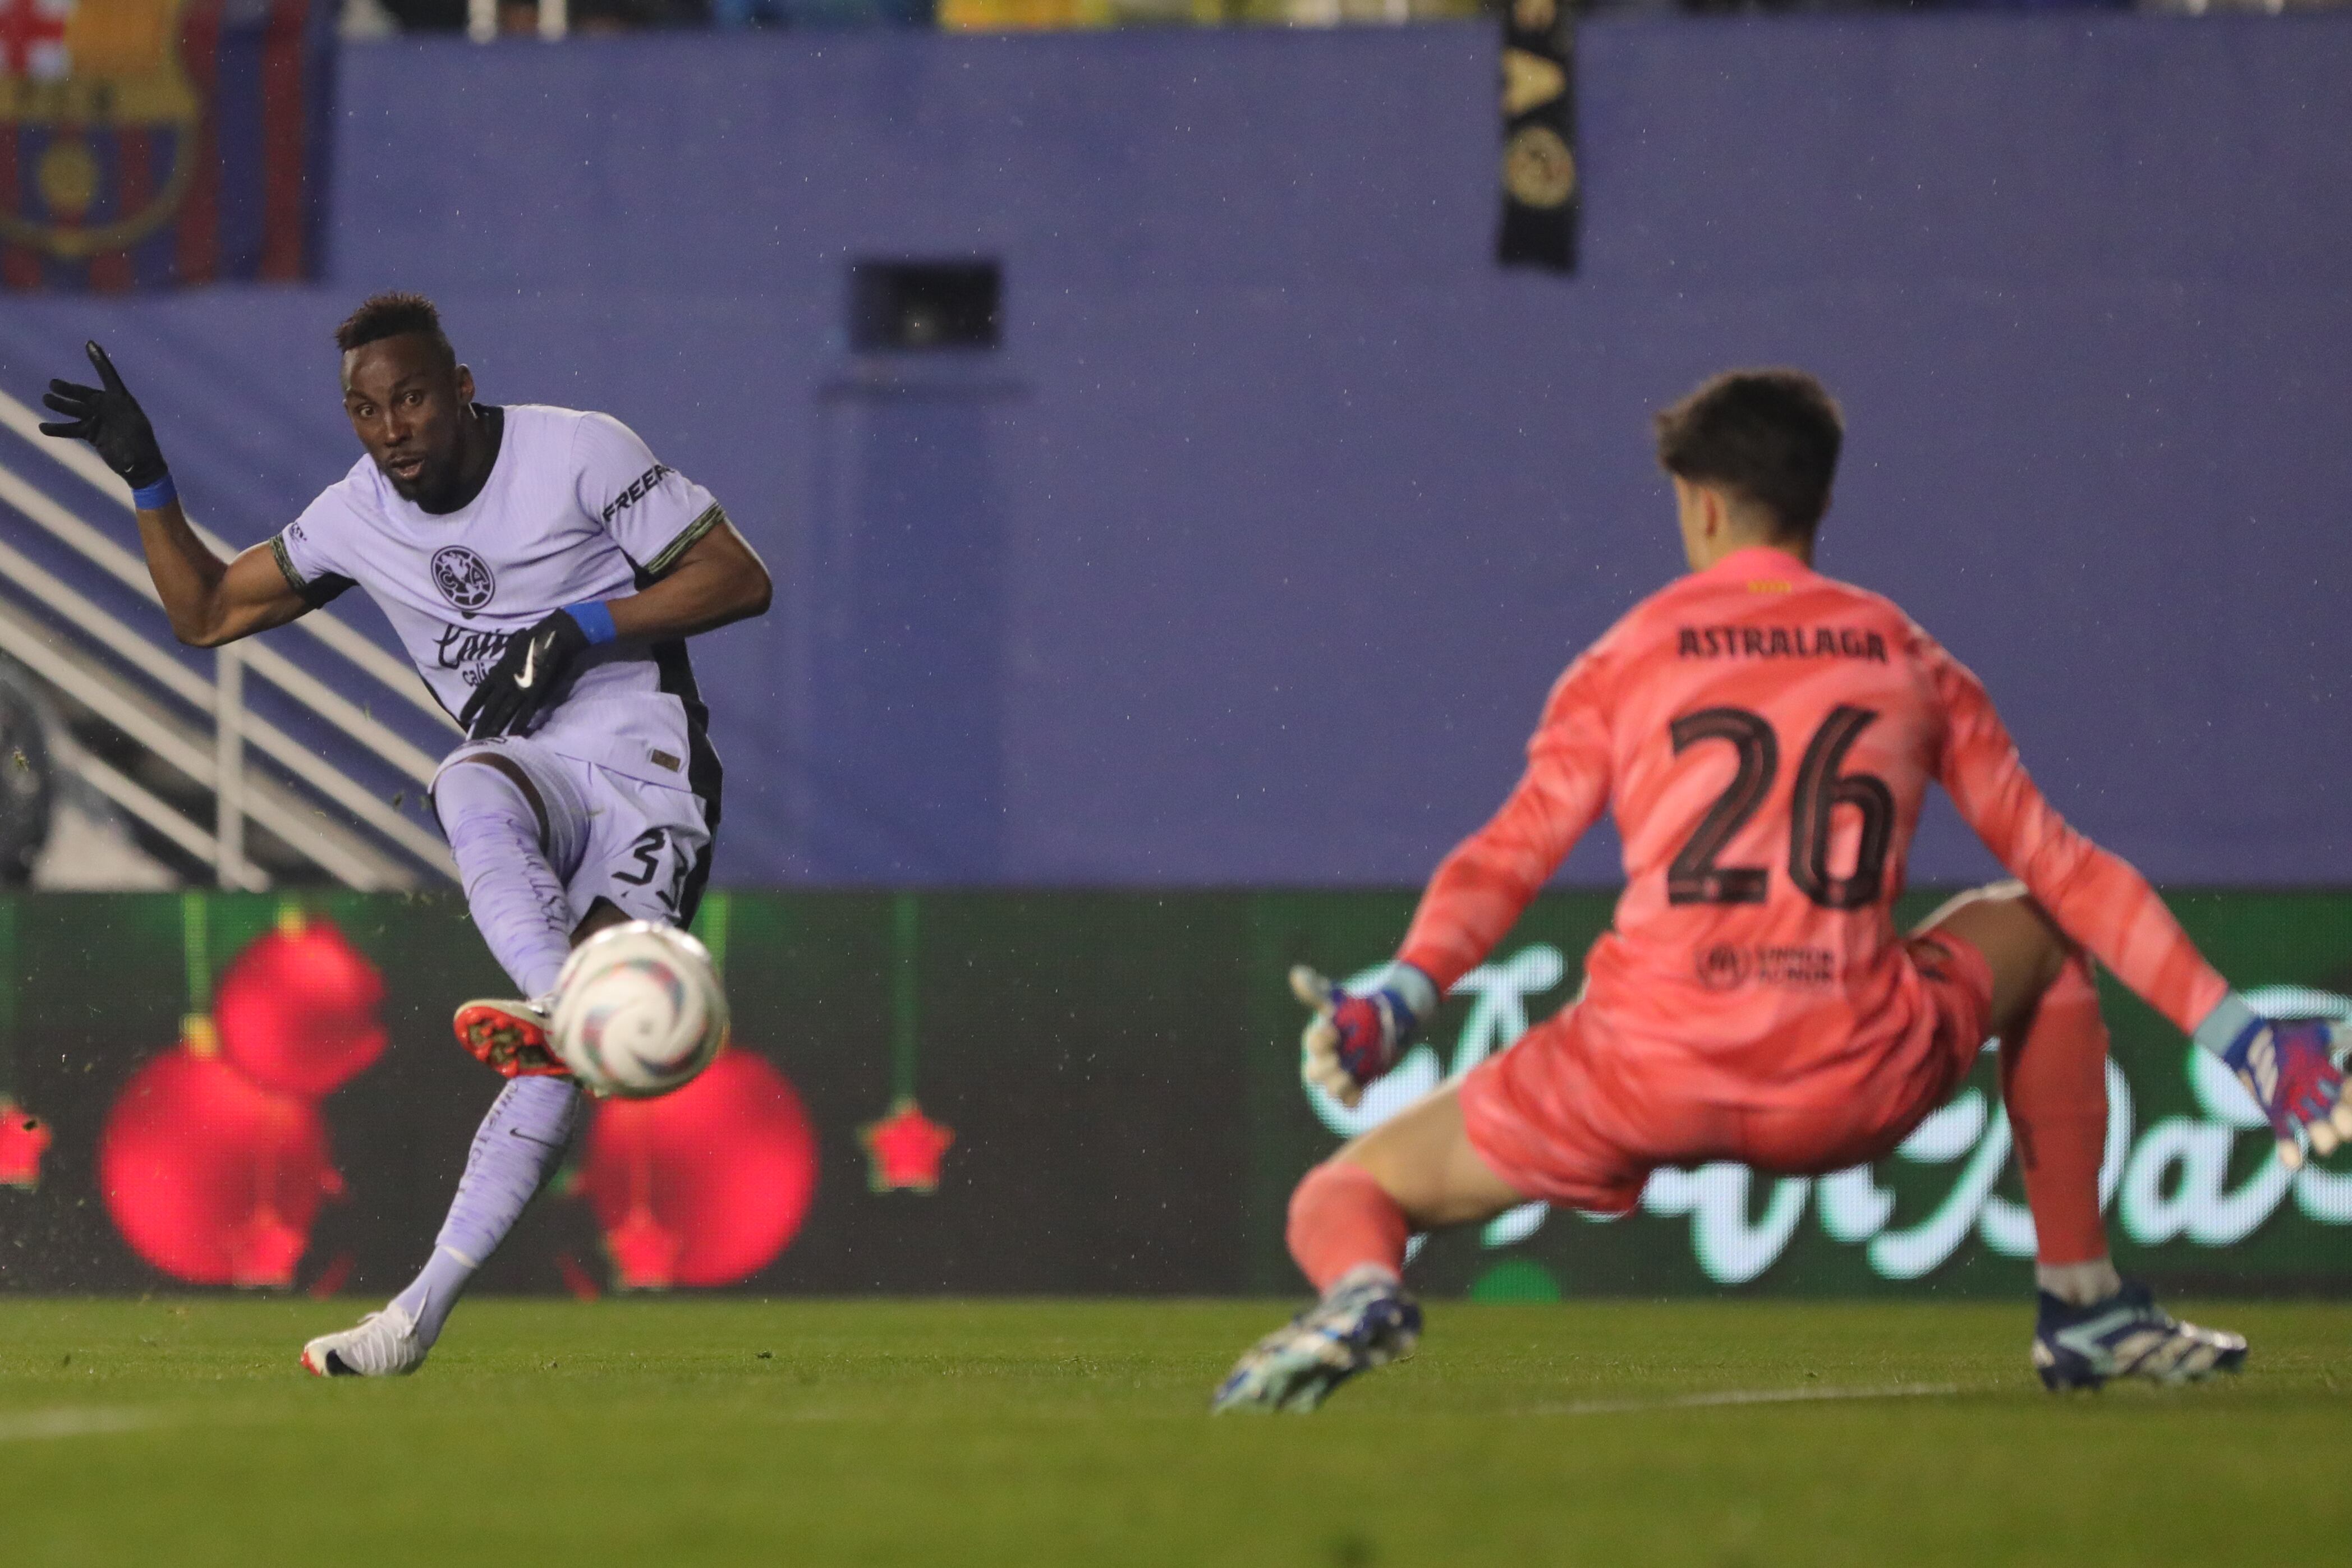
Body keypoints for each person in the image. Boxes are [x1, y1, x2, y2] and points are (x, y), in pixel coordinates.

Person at [1215, 369, 2350, 1412]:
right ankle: (2083, 1306)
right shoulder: (1903, 656)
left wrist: (1403, 997)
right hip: (1847, 1079)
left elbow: (1507, 854)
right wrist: (2244, 1034)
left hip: (1636, 1075)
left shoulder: (1628, 656)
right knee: (2043, 922)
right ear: (1815, 503)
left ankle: (1363, 1294)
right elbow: (2071, 869)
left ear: (1702, 506)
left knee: (1341, 1192)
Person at [40, 294, 773, 1375]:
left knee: (551, 1069)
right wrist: (148, 477)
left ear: (462, 387)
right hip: (529, 774)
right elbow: (203, 615)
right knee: (469, 780)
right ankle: (557, 1008)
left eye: (414, 398)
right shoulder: (353, 517)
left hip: (650, 778)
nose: (393, 428)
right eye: (366, 411)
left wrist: (579, 626)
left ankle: (418, 1309)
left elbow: (738, 579)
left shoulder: (577, 451)